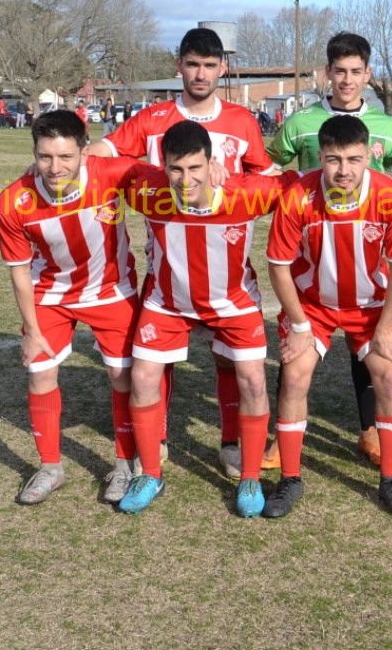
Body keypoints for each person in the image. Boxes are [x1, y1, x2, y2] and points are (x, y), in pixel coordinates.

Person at [87, 27, 278, 481]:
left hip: (226, 268)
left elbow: (268, 177)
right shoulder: (152, 119)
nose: (201, 74)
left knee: (228, 359)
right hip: (169, 266)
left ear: (222, 68)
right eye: (193, 64)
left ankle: (230, 443)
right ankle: (157, 441)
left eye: (210, 65)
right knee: (157, 360)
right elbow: (101, 154)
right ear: (179, 65)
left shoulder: (242, 121)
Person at [115, 121, 297, 516]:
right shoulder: (147, 189)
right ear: (162, 166)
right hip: (167, 302)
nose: (186, 180)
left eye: (195, 168)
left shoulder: (246, 193)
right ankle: (150, 475)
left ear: (211, 163)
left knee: (253, 380)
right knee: (142, 377)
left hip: (233, 303)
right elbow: (98, 167)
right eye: (176, 169)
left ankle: (250, 478)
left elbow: (296, 183)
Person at [265, 31, 392, 470]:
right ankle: (282, 441)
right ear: (327, 73)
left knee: (368, 358)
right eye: (339, 71)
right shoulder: (300, 122)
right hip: (316, 244)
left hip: (367, 252)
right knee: (294, 355)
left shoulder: (388, 126)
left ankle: (370, 430)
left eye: (355, 71)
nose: (347, 80)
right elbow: (270, 169)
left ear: (368, 74)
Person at [0, 111, 142, 505]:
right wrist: (31, 331)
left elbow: (175, 180)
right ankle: (50, 468)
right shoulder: (13, 201)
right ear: (34, 153)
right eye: (45, 157)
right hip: (50, 294)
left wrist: (215, 170)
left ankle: (124, 464)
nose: (55, 168)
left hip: (110, 290)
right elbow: (20, 271)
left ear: (85, 153)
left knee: (122, 375)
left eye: (65, 157)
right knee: (40, 372)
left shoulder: (116, 174)